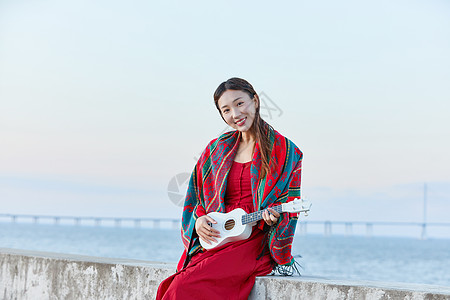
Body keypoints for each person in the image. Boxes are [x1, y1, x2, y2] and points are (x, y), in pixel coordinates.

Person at [156, 77, 303, 299]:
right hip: (217, 234)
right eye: (226, 110)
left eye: (240, 103)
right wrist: (199, 220)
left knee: (182, 287)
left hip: (252, 239)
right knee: (171, 286)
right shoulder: (216, 149)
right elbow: (196, 197)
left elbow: (288, 204)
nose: (235, 114)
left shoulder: (285, 150)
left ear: (255, 101)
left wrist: (274, 218)